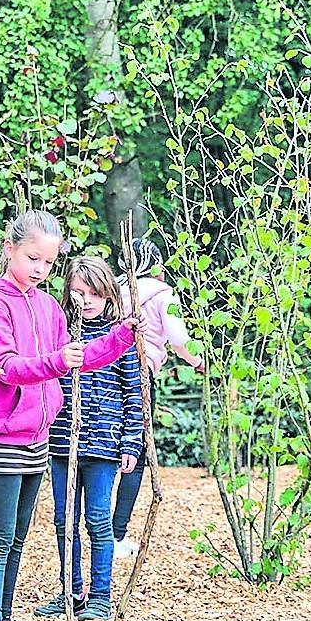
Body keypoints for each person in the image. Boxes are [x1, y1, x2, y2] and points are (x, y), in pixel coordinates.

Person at [0, 212, 137, 621]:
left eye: (48, 262)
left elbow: (75, 359)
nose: (40, 268)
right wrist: (58, 361)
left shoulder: (48, 307)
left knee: (19, 535)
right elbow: (8, 365)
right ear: (10, 249)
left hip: (36, 434)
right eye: (32, 258)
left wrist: (122, 338)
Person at [32, 257, 144, 621]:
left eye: (95, 293)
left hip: (104, 445)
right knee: (65, 520)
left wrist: (131, 442)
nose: (88, 300)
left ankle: (100, 595)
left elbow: (134, 393)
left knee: (98, 519)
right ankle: (71, 591)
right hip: (63, 442)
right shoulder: (59, 333)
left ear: (108, 293)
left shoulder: (121, 337)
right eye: (80, 292)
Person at [111, 237, 205, 558]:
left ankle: (96, 531)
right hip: (138, 373)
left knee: (105, 450)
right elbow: (179, 338)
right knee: (133, 453)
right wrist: (199, 361)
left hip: (105, 372)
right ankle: (116, 535)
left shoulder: (112, 289)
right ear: (156, 264)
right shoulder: (165, 294)